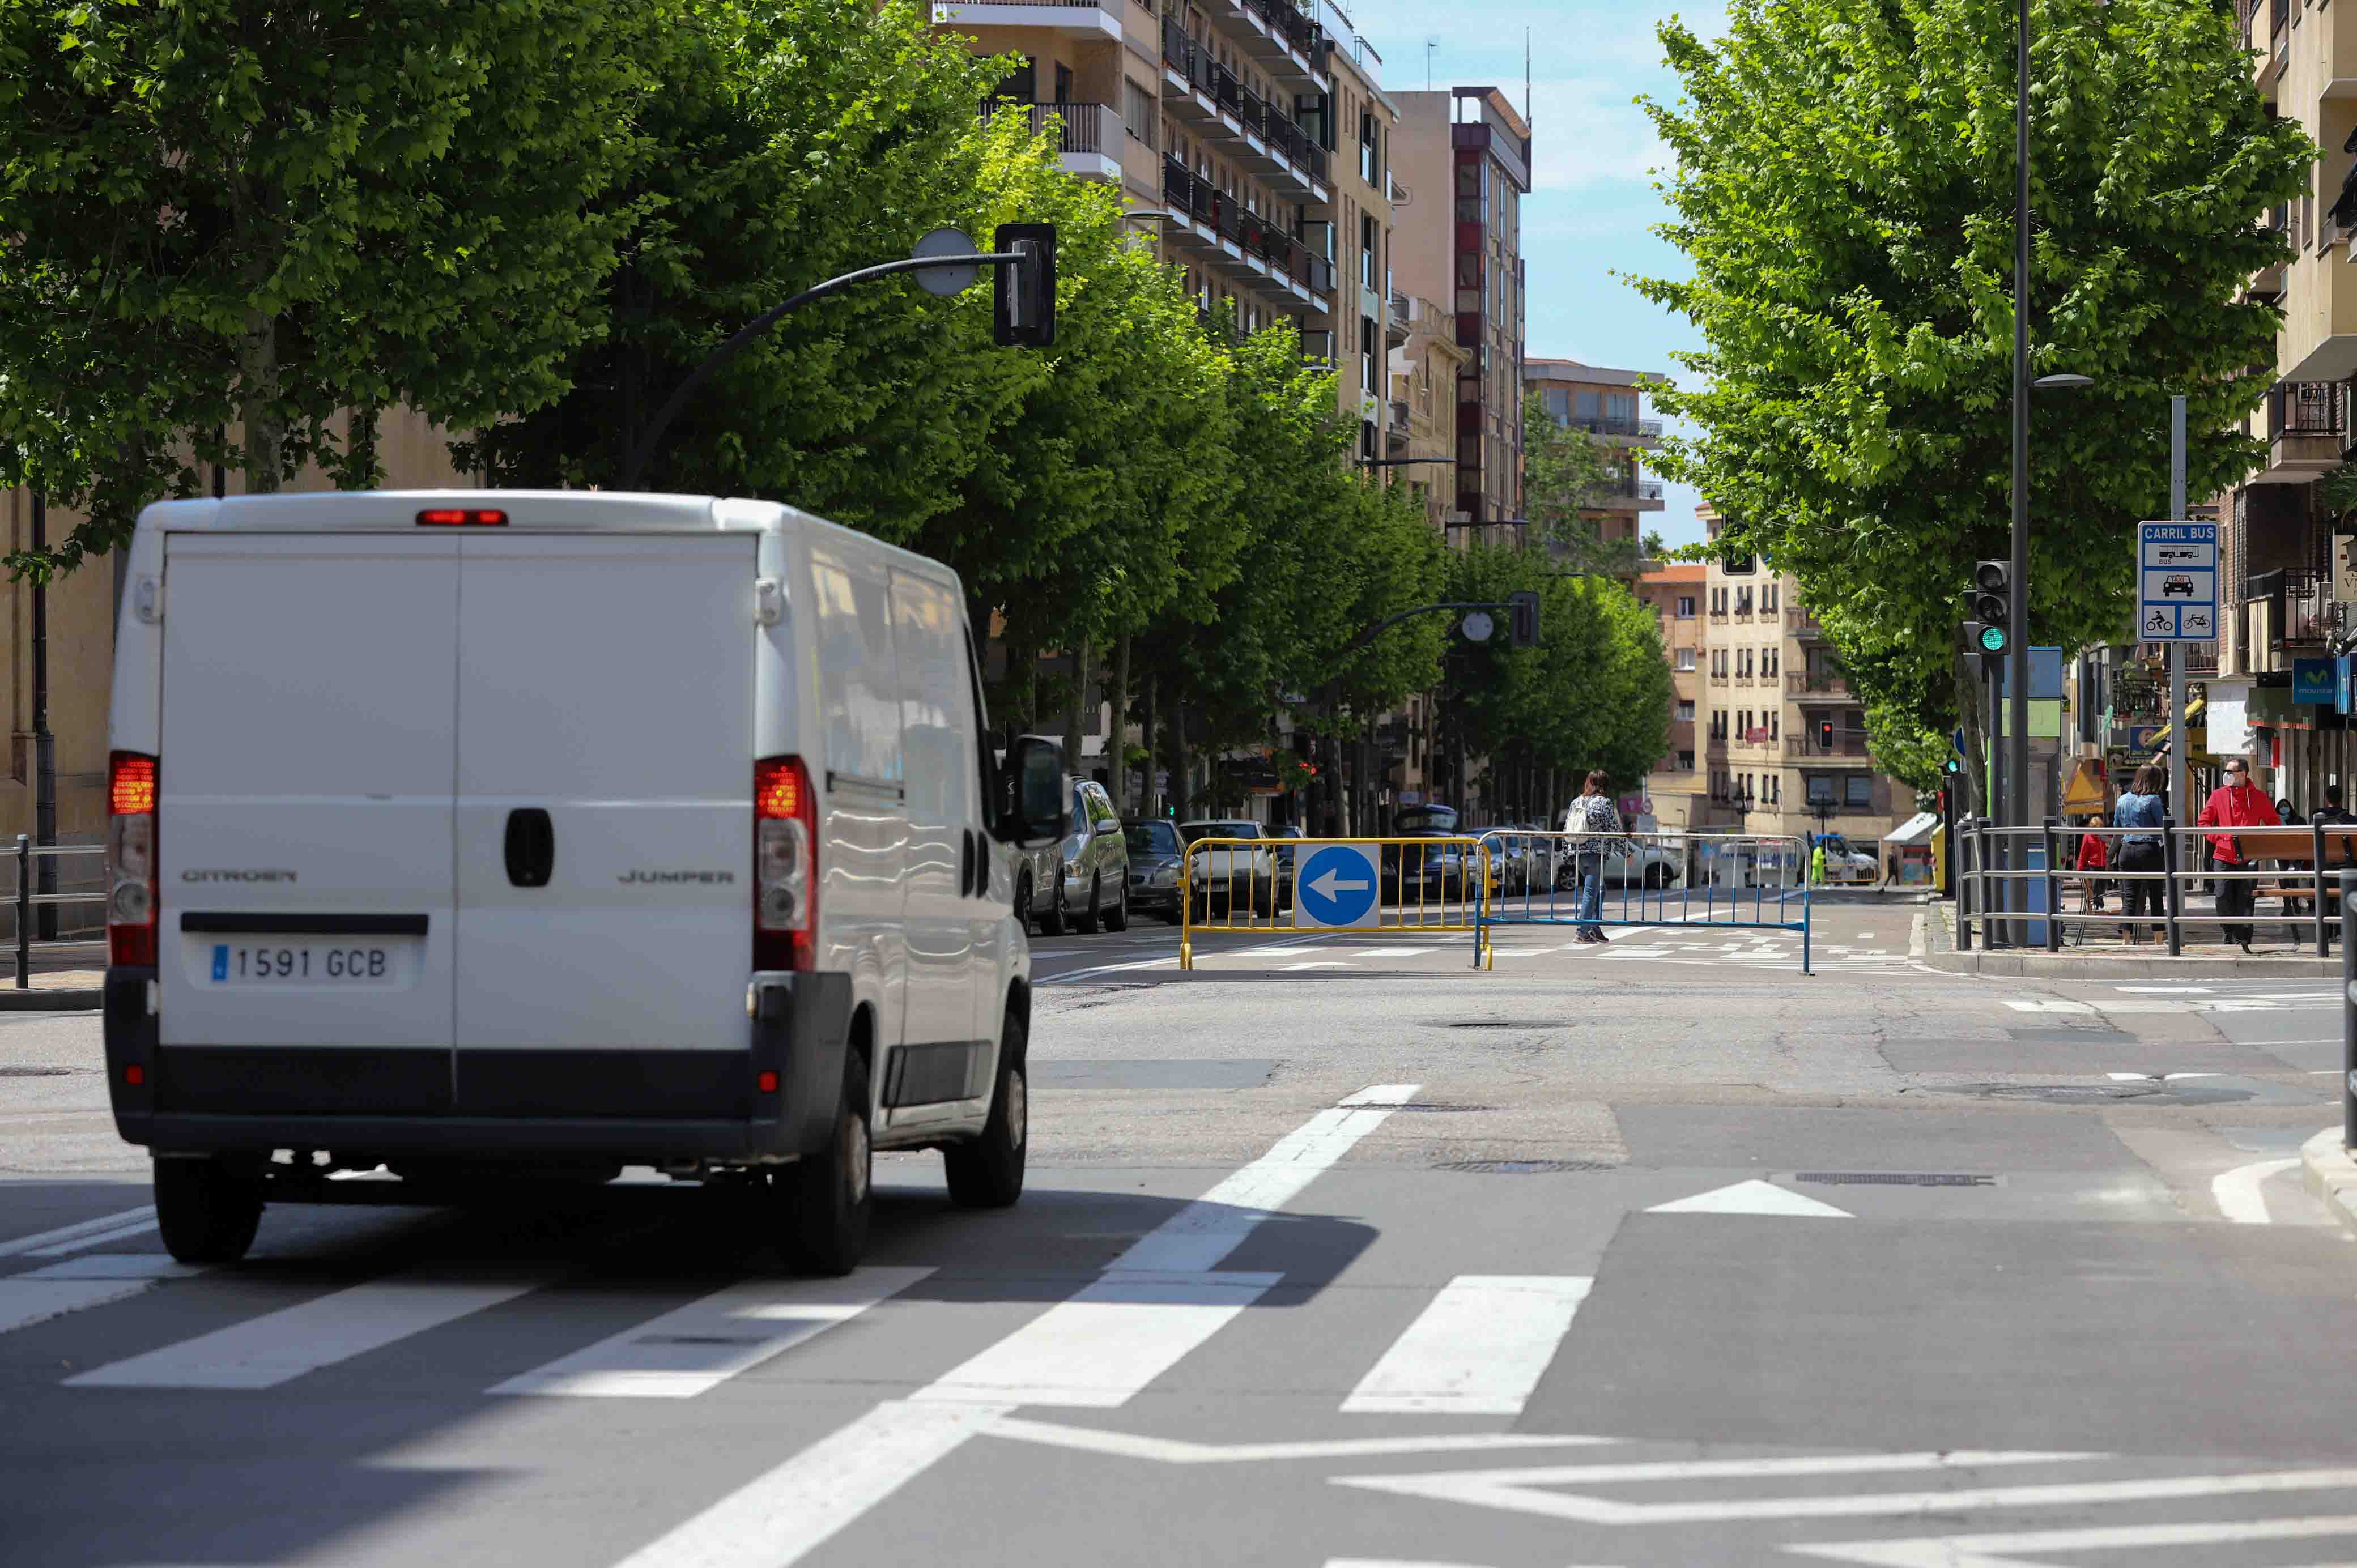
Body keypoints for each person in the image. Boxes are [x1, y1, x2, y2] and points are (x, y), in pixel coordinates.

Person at [2197, 757, 2281, 952]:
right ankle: (2228, 931)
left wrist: (2258, 844)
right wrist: (2220, 838)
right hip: (2223, 856)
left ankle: (2242, 938)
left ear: (2243, 775)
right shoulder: (2218, 796)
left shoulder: (2259, 798)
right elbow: (2204, 823)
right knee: (2222, 897)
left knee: (2245, 899)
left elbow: (2274, 824)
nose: (2226, 775)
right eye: (2225, 771)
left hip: (2248, 857)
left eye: (2230, 771)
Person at [1560, 770, 1622, 944]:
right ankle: (1582, 932)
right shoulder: (1604, 803)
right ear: (1604, 786)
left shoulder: (1576, 802)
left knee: (1599, 890)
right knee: (1591, 892)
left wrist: (1567, 853)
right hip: (1595, 853)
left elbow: (1567, 829)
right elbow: (1614, 830)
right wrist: (1627, 852)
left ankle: (1595, 928)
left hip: (1578, 852)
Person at [2113, 764, 2167, 945]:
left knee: (2129, 897)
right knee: (2156, 896)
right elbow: (2163, 828)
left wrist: (2110, 854)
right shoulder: (2154, 800)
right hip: (2149, 849)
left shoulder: (2122, 800)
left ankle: (2126, 941)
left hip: (2127, 850)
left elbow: (2117, 829)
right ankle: (2158, 941)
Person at [2074, 815, 2109, 915]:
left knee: (2102, 886)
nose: (2098, 829)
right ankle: (2096, 904)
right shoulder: (2088, 836)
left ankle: (2099, 902)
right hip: (2092, 866)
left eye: (2100, 827)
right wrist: (2079, 869)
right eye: (2096, 827)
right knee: (2095, 886)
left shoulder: (2102, 837)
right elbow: (2083, 853)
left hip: (2103, 865)